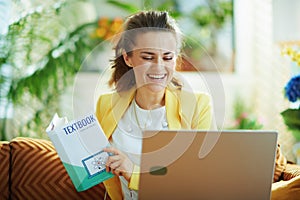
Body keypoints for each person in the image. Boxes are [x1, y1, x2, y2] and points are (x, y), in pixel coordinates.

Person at [95, 10, 287, 200]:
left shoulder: (198, 106)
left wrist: (134, 173)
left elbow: (201, 181)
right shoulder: (106, 105)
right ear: (128, 58)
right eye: (147, 57)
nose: (159, 66)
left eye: (168, 57)